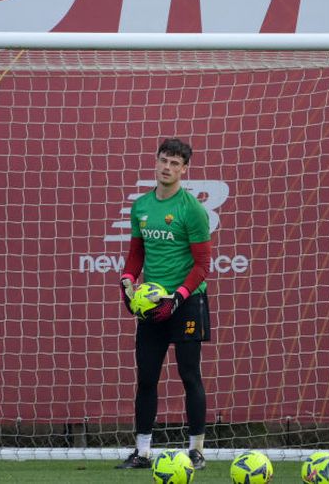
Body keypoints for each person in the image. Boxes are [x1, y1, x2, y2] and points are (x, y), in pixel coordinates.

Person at [115, 138, 213, 471]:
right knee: (146, 377)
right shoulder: (141, 205)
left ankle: (196, 450)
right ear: (155, 163)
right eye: (163, 161)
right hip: (153, 306)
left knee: (189, 375)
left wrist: (179, 298)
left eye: (174, 163)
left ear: (185, 169)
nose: (167, 167)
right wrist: (128, 280)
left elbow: (202, 264)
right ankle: (142, 452)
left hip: (186, 302)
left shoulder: (192, 209)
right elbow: (136, 254)